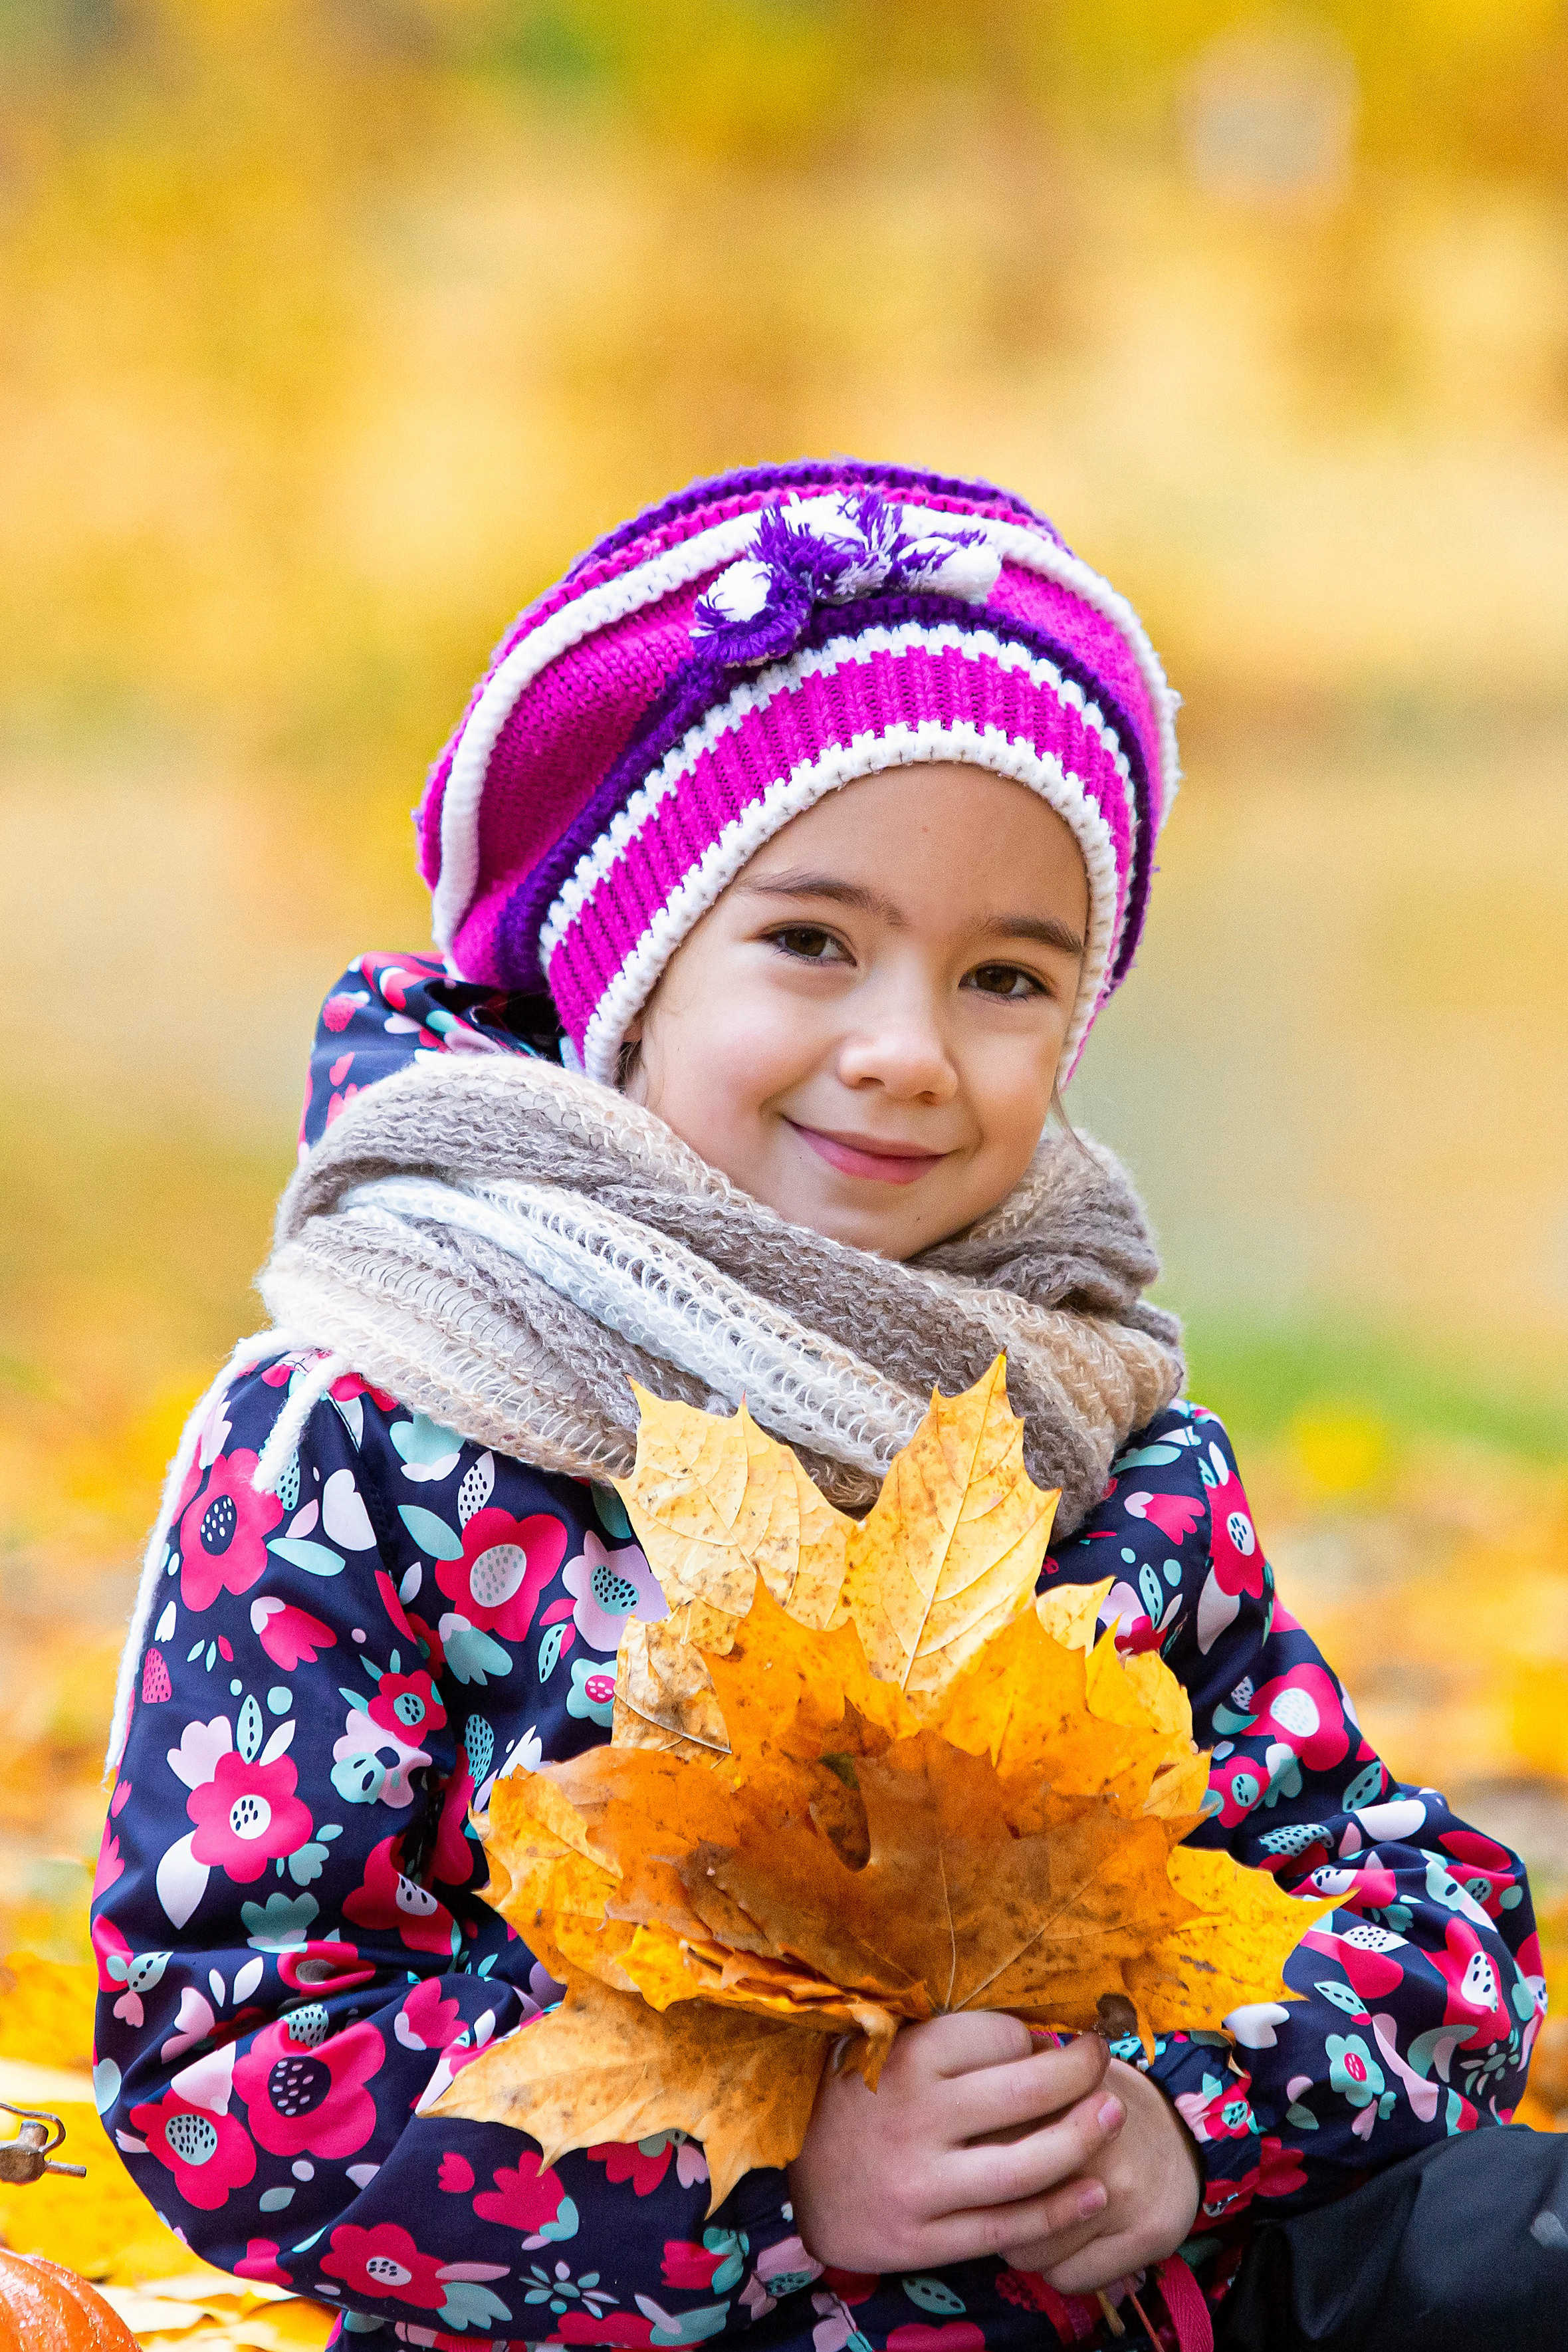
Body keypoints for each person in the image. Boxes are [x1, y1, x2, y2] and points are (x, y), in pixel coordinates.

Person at [94, 462, 1555, 2352]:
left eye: (1005, 977)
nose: (907, 1051)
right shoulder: (371, 1435)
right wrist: (786, 2173)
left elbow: (1418, 1906)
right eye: (811, 942)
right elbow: (227, 2050)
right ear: (632, 959)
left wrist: (1186, 2127)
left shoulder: (1098, 1443)